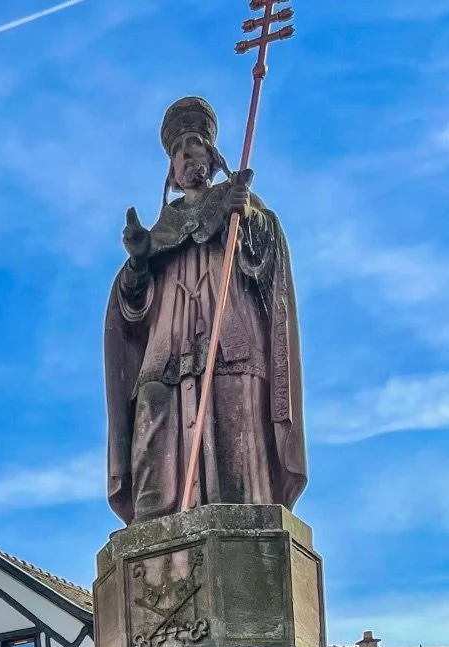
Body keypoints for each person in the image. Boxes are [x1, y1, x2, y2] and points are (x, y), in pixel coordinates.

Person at [105, 96, 305, 525]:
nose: (186, 156)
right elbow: (133, 311)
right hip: (166, 350)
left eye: (194, 145)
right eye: (178, 152)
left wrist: (248, 219)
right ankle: (155, 529)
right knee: (153, 415)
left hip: (228, 337)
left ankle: (241, 518)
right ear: (171, 171)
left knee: (233, 439)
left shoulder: (237, 203)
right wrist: (139, 263)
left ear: (212, 156)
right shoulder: (161, 229)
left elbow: (266, 261)